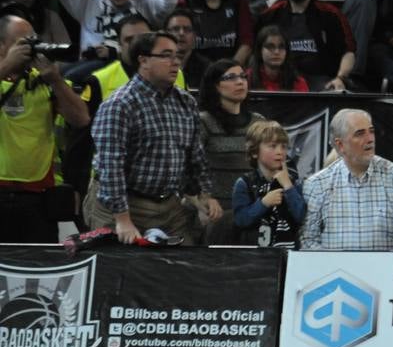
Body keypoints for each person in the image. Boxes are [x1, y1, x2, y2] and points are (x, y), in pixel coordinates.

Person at [86, 30, 220, 243]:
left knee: (182, 266)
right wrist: (122, 219)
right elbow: (111, 166)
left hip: (169, 205)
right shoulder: (120, 104)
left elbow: (195, 156)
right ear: (143, 60)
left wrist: (204, 194)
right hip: (122, 205)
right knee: (119, 270)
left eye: (177, 55)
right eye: (166, 55)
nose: (175, 62)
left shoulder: (186, 102)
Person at [0, 15, 89, 243]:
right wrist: (6, 66)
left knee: (35, 272)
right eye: (23, 42)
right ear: (2, 45)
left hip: (37, 198)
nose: (31, 47)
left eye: (34, 40)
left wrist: (56, 80)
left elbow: (81, 118)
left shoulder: (46, 83)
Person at [301, 107, 393, 250]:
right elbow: (307, 240)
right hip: (336, 271)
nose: (370, 139)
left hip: (387, 270)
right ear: (340, 145)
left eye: (371, 131)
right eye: (360, 134)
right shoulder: (317, 185)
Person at [255, 0, 356, 89]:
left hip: (322, 82)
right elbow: (256, 51)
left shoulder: (331, 14)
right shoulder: (270, 16)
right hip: (281, 81)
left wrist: (340, 78)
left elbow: (348, 52)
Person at [197, 58, 261, 241]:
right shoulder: (203, 122)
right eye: (231, 77)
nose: (240, 82)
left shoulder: (259, 122)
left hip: (252, 211)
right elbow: (190, 167)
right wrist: (203, 199)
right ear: (216, 86)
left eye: (242, 76)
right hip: (216, 211)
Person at [232, 119, 305, 247]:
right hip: (255, 254)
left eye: (283, 146)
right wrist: (263, 203)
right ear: (254, 152)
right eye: (272, 146)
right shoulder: (245, 183)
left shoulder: (293, 183)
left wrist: (288, 187)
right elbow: (241, 220)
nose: (280, 151)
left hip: (289, 252)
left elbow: (302, 217)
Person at [246, 24, 310, 92]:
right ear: (259, 51)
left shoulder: (298, 82)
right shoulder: (247, 79)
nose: (276, 52)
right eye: (270, 47)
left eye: (281, 47)